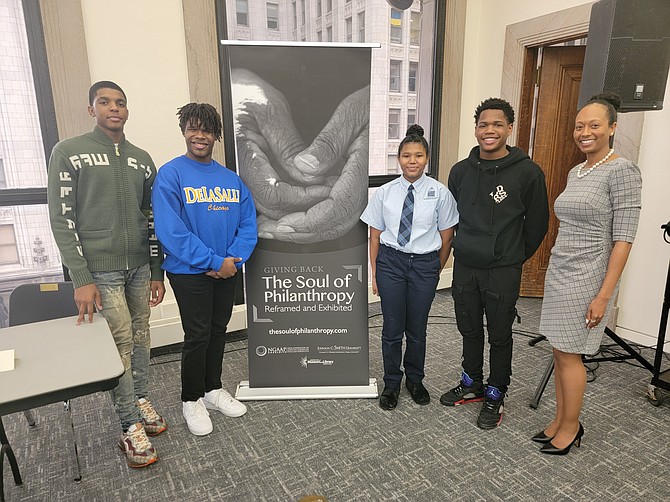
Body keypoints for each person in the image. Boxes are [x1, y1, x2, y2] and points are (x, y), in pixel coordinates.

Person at [47, 81, 166, 468]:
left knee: (143, 337)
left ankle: (141, 397)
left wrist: (156, 269)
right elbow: (62, 220)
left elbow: (152, 220)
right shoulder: (69, 152)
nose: (114, 108)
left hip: (139, 266)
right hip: (100, 271)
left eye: (120, 103)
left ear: (127, 111)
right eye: (104, 102)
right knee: (121, 343)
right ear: (91, 109)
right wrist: (80, 277)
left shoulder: (143, 159)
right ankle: (129, 423)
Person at [534, 93, 641, 455]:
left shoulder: (622, 170)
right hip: (561, 269)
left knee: (571, 353)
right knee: (559, 350)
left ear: (612, 127)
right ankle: (560, 419)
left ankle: (571, 427)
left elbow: (624, 239)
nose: (585, 132)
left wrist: (603, 295)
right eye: (580, 126)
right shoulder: (576, 171)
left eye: (594, 125)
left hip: (589, 274)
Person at [440, 98, 549, 429]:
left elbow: (537, 225)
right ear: (476, 129)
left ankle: (495, 392)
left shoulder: (528, 173)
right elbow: (451, 219)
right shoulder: (459, 171)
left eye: (497, 124)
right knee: (469, 328)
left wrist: (512, 256)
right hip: (465, 266)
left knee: (500, 334)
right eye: (484, 124)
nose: (490, 130)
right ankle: (471, 382)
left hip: (503, 270)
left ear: (509, 129)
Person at [152, 103, 258, 436]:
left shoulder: (231, 180)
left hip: (227, 269)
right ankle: (191, 399)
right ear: (184, 130)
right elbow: (171, 231)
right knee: (197, 335)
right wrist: (214, 262)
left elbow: (248, 225)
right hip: (188, 272)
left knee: (218, 329)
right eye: (193, 128)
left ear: (216, 135)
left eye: (207, 129)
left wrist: (231, 261)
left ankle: (213, 389)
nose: (200, 135)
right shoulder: (171, 175)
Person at [361, 125, 458, 410]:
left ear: (427, 158)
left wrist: (434, 270)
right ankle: (392, 383)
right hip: (391, 263)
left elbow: (447, 236)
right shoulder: (385, 193)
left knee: (417, 329)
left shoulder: (440, 193)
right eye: (406, 155)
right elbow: (375, 235)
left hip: (425, 265)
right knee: (392, 328)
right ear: (399, 159)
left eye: (418, 155)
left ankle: (415, 380)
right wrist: (376, 273)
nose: (412, 161)